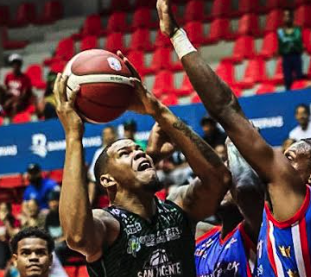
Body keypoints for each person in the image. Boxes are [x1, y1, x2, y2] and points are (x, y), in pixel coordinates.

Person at [154, 0, 311, 275]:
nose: (277, 161)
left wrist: (239, 138)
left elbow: (226, 113)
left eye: (289, 157)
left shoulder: (303, 205)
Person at [56, 40, 230, 277]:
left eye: (138, 150)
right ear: (107, 180)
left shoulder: (178, 209)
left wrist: (157, 109)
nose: (138, 151)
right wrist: (73, 136)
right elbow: (76, 236)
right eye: (124, 153)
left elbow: (218, 178)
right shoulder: (108, 225)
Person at [194, 141, 264, 276]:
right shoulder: (201, 234)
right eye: (221, 182)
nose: (224, 186)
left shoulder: (258, 230)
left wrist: (233, 143)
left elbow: (246, 189)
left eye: (231, 180)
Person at [277, 8, 304, 90]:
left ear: (292, 18)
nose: (286, 18)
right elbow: (281, 47)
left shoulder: (297, 30)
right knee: (287, 80)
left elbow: (298, 43)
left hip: (296, 56)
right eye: (285, 16)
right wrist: (291, 42)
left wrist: (288, 42)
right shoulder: (280, 31)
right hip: (286, 58)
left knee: (299, 79)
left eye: (288, 16)